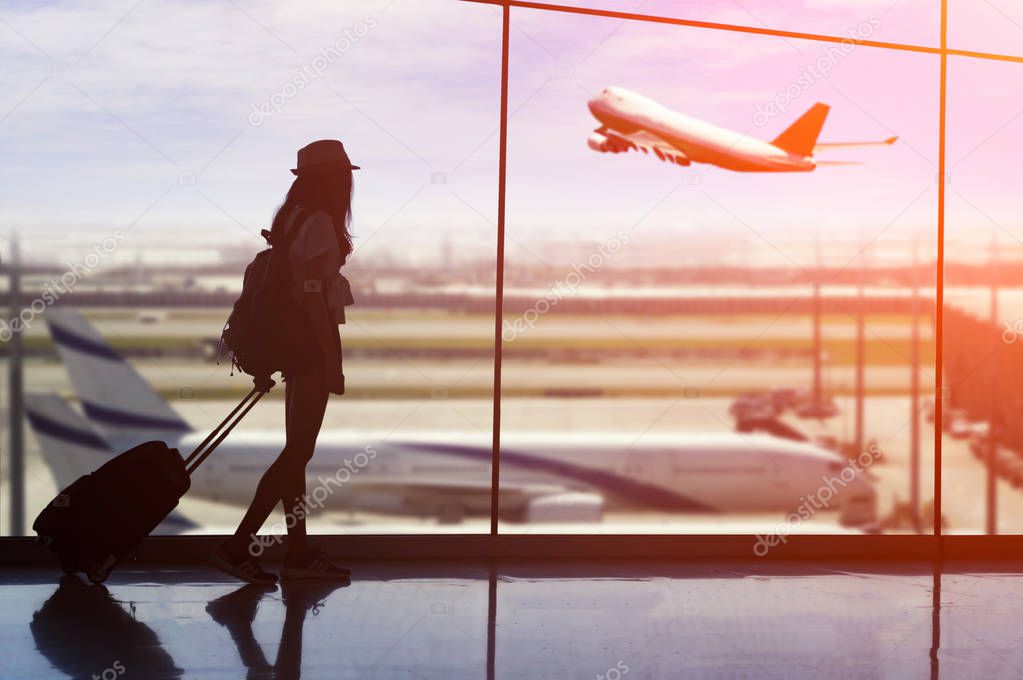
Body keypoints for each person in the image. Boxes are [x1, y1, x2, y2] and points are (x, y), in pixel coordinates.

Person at [211, 140, 358, 584]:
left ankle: (297, 552)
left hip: (291, 342)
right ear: (335, 179)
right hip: (309, 344)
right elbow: (313, 300)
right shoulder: (319, 223)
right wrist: (331, 358)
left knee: (296, 453)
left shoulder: (291, 217)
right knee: (298, 453)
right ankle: (238, 546)